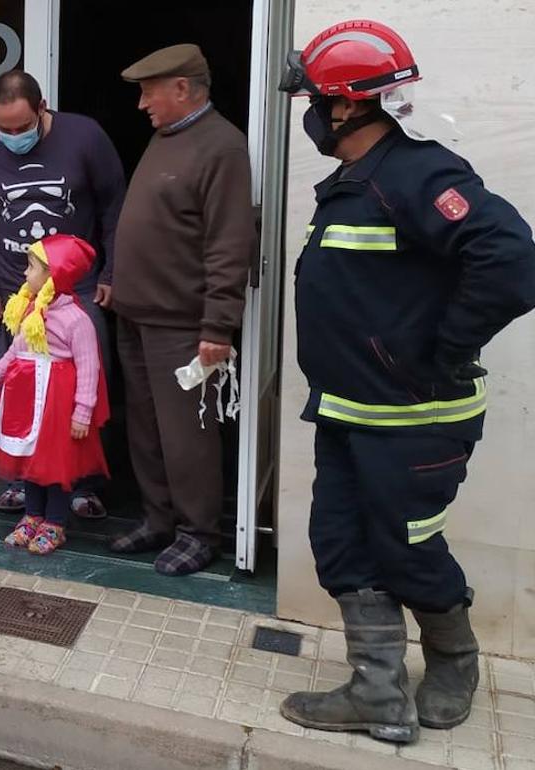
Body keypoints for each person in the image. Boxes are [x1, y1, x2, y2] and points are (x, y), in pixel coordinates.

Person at [276, 20, 535, 744]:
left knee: (407, 545)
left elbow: (512, 260)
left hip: (415, 417)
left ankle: (455, 659)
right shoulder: (358, 181)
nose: (308, 114)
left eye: (313, 99)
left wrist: (447, 347)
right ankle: (378, 693)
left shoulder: (418, 174)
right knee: (341, 542)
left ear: (348, 107)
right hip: (353, 413)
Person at [105, 44, 254, 576]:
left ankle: (199, 532)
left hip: (183, 324)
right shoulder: (166, 138)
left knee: (187, 434)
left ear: (183, 88)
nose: (142, 102)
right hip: (137, 315)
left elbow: (229, 244)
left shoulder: (221, 147)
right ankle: (159, 519)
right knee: (145, 429)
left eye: (149, 91)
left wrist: (218, 325)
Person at [0, 70, 125, 519]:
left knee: (83, 387)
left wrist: (111, 271)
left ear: (42, 107)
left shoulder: (84, 137)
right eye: (2, 128)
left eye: (21, 127)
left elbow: (115, 207)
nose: (11, 137)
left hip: (77, 291)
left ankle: (83, 484)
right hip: (14, 295)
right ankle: (19, 480)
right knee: (17, 390)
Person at [0, 235, 109, 555]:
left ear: (54, 275)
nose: (24, 274)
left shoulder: (77, 320)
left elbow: (90, 369)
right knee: (29, 459)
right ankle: (32, 515)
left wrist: (82, 413)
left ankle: (55, 522)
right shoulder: (31, 312)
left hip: (57, 403)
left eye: (31, 267)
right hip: (27, 398)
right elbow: (14, 353)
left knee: (54, 464)